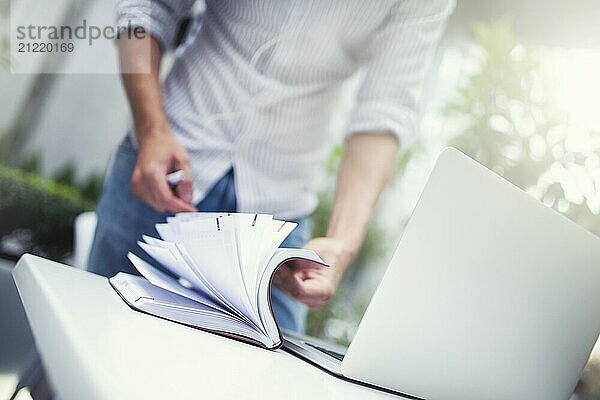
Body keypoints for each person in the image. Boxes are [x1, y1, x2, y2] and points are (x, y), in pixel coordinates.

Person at [88, 0, 455, 333]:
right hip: (167, 162)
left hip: (282, 204)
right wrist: (152, 129)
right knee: (96, 331)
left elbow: (384, 111)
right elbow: (149, 9)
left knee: (271, 370)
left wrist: (341, 244)